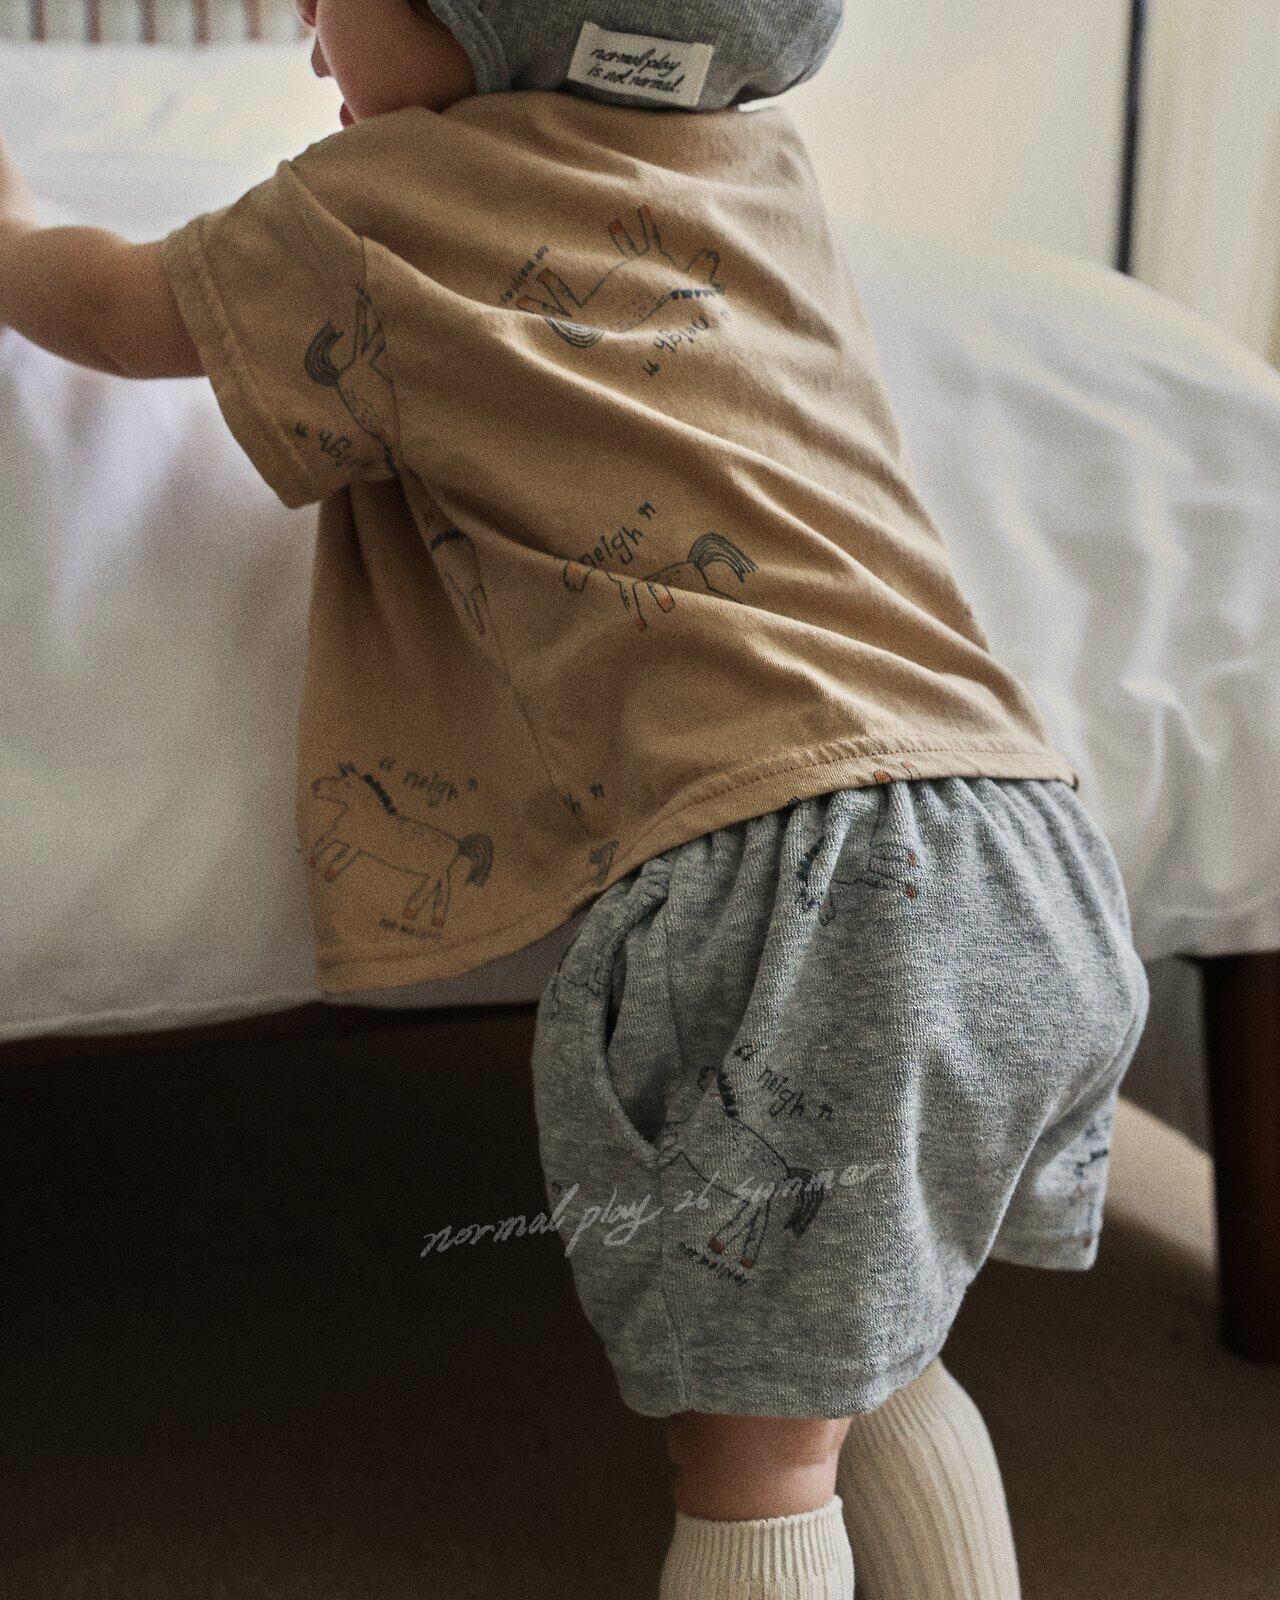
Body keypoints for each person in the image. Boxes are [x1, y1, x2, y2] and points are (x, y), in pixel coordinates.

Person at [0, 1, 1150, 1594]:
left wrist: (11, 226)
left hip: (801, 889)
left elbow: (124, 311)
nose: (311, 40)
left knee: (755, 1460)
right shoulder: (760, 172)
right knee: (872, 1361)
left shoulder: (377, 202)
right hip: (1029, 846)